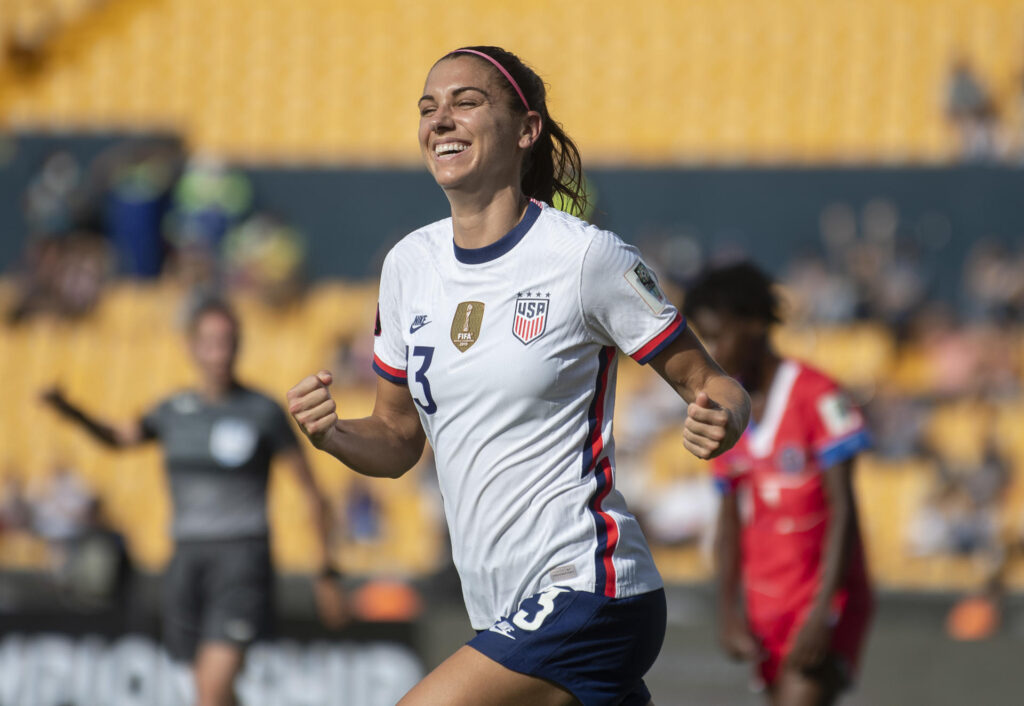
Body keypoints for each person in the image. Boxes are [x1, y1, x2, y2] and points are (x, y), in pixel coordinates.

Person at [286, 46, 750, 706]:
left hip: (589, 588)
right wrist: (331, 434)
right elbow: (395, 439)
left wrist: (724, 414)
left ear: (526, 130)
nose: (440, 119)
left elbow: (713, 383)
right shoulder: (407, 267)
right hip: (499, 607)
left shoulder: (585, 258)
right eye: (427, 108)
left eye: (465, 102)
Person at [42, 297, 338, 706]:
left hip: (241, 560)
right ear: (193, 347)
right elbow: (118, 439)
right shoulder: (173, 411)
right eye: (211, 342)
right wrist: (72, 411)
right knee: (207, 689)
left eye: (228, 341)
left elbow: (311, 492)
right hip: (185, 558)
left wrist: (325, 571)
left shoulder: (261, 411)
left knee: (211, 691)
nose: (220, 352)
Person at [683, 262, 874, 706]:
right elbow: (730, 521)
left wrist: (823, 612)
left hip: (823, 601)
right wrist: (727, 612)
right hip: (765, 606)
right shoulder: (726, 411)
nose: (709, 350)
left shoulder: (818, 396)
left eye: (716, 335)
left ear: (754, 324)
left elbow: (844, 512)